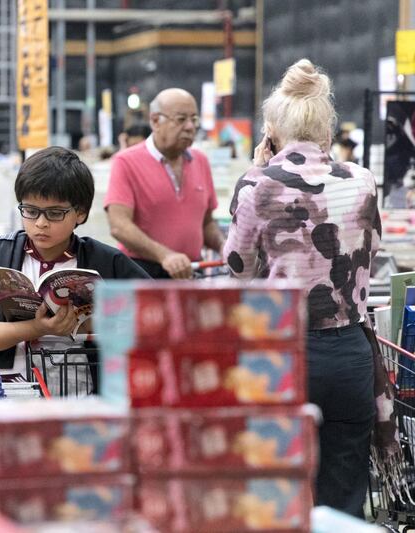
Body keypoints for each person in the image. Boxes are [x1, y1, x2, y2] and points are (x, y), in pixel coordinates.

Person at [222, 59, 381, 517]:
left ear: (272, 130)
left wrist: (257, 173)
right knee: (345, 495)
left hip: (284, 355)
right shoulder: (362, 180)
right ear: (326, 130)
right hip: (351, 353)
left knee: (277, 491)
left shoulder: (258, 185)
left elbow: (239, 268)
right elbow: (370, 250)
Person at [0, 146, 149, 381]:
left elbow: (151, 315)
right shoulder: (1, 252)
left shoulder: (105, 261)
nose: (40, 223)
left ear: (80, 213)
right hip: (13, 389)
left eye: (55, 213)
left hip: (83, 391)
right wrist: (38, 328)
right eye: (30, 211)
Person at [105, 88, 223, 279]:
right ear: (155, 121)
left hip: (190, 272)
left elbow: (207, 222)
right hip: (142, 273)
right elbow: (119, 225)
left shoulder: (201, 161)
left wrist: (223, 245)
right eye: (181, 119)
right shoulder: (126, 162)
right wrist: (164, 255)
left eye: (194, 119)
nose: (190, 127)